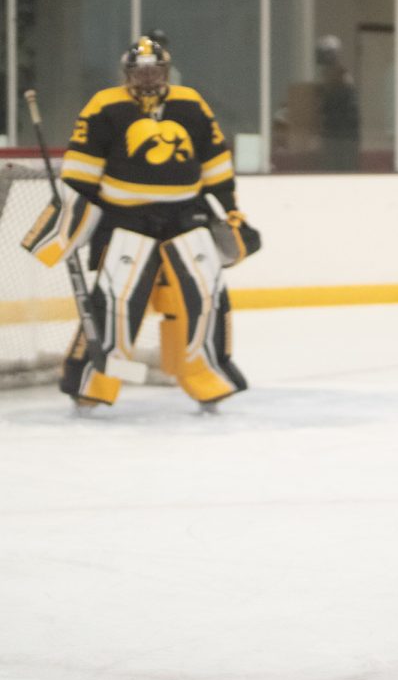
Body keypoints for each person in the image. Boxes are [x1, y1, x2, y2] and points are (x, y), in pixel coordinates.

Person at [21, 35, 261, 411]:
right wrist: (67, 223)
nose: (148, 77)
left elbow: (215, 159)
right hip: (125, 222)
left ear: (166, 71)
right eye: (140, 70)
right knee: (115, 306)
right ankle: (90, 386)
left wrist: (230, 209)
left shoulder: (190, 103)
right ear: (127, 73)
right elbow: (82, 171)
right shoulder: (105, 106)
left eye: (155, 69)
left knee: (206, 299)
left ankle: (209, 381)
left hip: (187, 218)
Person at [314, 34, 361, 171]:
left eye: (328, 53)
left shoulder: (340, 75)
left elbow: (338, 104)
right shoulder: (327, 74)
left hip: (341, 135)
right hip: (334, 134)